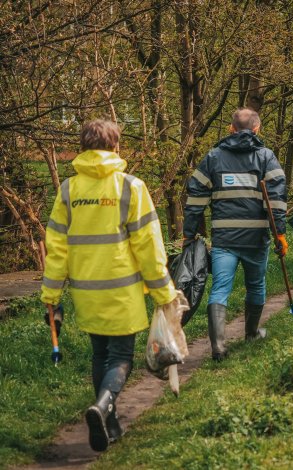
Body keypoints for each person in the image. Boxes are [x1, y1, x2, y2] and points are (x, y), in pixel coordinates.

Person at [40, 119, 178, 452]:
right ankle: (102, 407)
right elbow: (148, 245)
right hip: (122, 288)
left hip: (86, 290)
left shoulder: (69, 190)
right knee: (120, 356)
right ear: (115, 145)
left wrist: (51, 294)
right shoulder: (131, 187)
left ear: (83, 147)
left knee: (99, 354)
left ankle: (110, 422)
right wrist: (163, 292)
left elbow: (56, 248)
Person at [183, 108, 287, 361]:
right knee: (256, 285)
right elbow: (276, 200)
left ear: (231, 129)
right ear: (257, 129)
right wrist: (280, 235)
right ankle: (251, 333)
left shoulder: (213, 157)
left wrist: (189, 234)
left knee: (220, 289)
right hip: (256, 239)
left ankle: (218, 347)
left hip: (224, 239)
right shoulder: (266, 157)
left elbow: (195, 197)